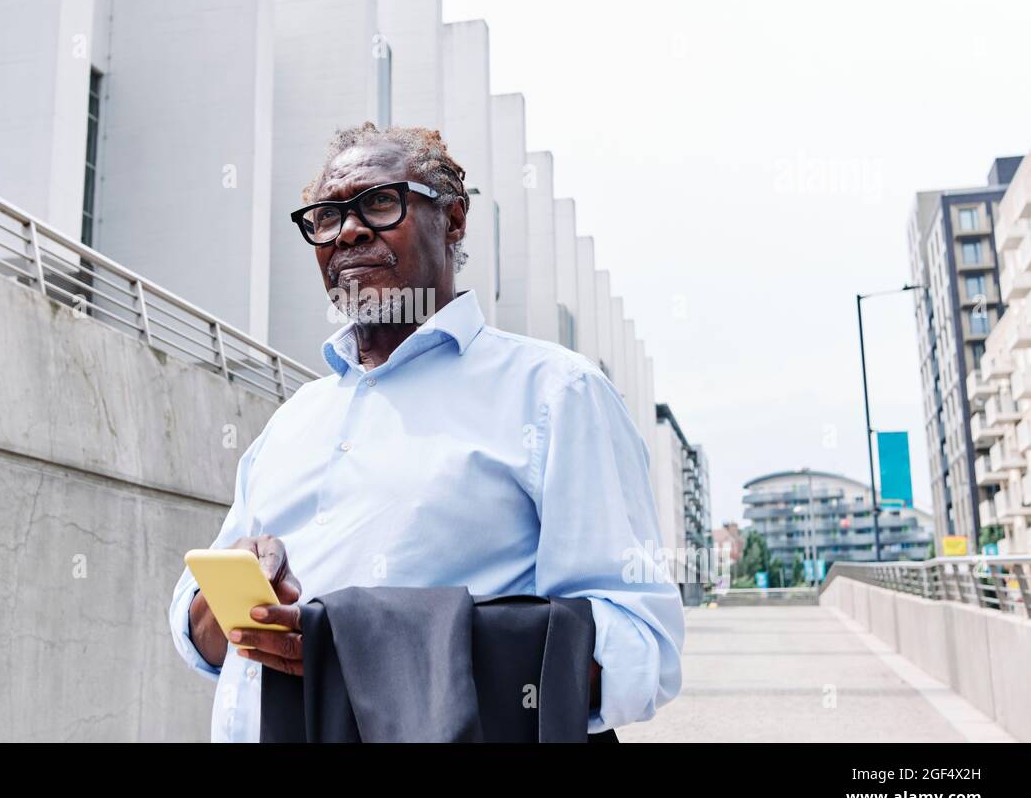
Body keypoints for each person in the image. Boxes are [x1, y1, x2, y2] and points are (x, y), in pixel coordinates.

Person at [168, 123, 684, 742]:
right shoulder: (291, 420)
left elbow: (640, 646)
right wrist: (233, 607)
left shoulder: (555, 394)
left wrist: (375, 648)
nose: (350, 230)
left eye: (381, 203)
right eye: (327, 217)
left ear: (455, 220)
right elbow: (200, 635)